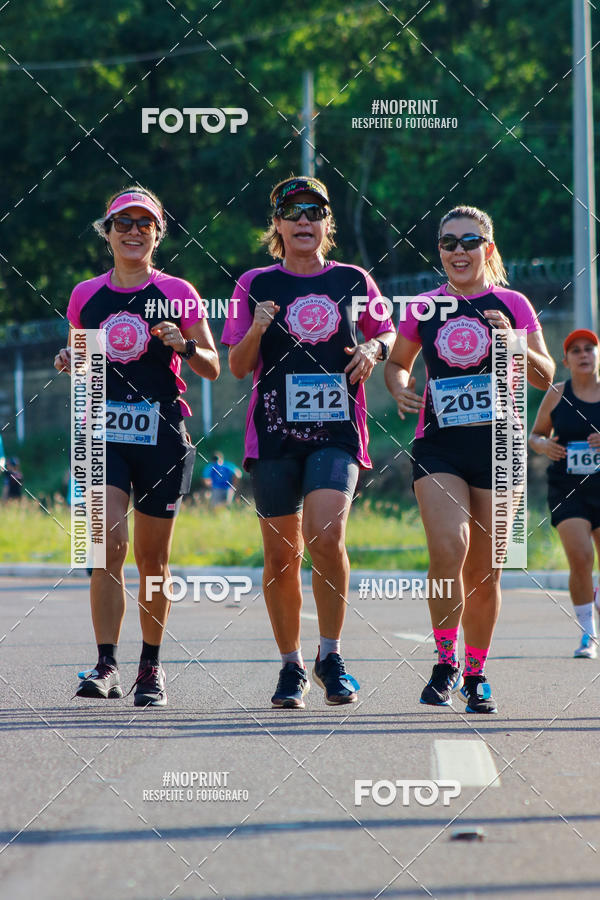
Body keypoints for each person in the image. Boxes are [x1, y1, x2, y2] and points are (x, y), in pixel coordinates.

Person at [223, 175, 395, 709]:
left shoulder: (352, 278)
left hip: (337, 432)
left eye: (314, 211)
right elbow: (237, 365)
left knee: (326, 534)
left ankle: (332, 654)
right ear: (276, 224)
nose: (303, 220)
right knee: (280, 555)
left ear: (326, 224)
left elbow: (386, 331)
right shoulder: (255, 283)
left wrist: (374, 349)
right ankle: (291, 666)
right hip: (273, 434)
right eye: (291, 212)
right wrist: (257, 327)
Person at [385, 205, 554, 713]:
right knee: (448, 547)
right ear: (439, 250)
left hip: (500, 449)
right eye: (448, 242)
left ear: (488, 247)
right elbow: (398, 362)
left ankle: (476, 672)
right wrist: (398, 387)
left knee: (487, 573)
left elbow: (546, 378)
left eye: (469, 241)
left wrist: (513, 343)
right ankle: (444, 661)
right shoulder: (425, 307)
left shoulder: (513, 303)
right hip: (439, 446)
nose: (458, 251)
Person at [54, 186, 219, 706]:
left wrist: (183, 344)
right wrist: (69, 359)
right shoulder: (86, 295)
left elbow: (213, 364)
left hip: (162, 436)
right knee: (103, 545)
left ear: (157, 234)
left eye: (143, 224)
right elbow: (83, 361)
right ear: (107, 234)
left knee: (153, 560)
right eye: (122, 223)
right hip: (100, 433)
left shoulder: (178, 291)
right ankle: (106, 665)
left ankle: (150, 666)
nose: (132, 231)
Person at [529, 328, 600, 659]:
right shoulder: (558, 394)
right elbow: (536, 435)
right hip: (568, 488)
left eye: (590, 349)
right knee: (582, 556)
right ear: (566, 360)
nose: (584, 354)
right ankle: (588, 634)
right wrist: (544, 445)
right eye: (576, 351)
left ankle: (593, 595)